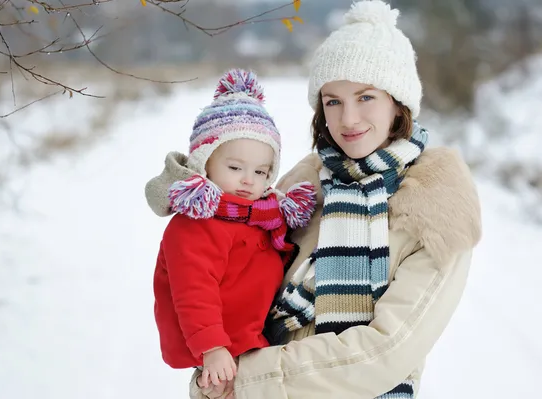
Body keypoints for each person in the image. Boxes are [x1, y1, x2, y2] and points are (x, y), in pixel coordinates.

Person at [146, 1, 482, 398]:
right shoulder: (302, 188)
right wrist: (215, 357)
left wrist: (247, 378)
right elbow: (228, 279)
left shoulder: (437, 204)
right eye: (333, 101)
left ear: (398, 103)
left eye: (366, 97)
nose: (349, 120)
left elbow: (386, 352)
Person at [150, 69, 317, 390]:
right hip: (216, 346)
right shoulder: (196, 224)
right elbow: (193, 290)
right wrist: (212, 347)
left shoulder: (261, 214)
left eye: (260, 171)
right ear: (205, 161)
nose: (248, 180)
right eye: (235, 167)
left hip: (248, 339)